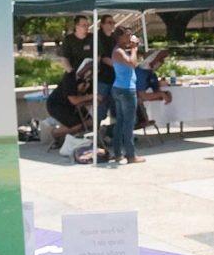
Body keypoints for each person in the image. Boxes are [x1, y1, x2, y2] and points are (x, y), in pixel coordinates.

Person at [45, 61, 103, 147]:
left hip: (73, 105)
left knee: (92, 122)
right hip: (57, 105)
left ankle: (82, 139)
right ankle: (55, 133)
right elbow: (74, 100)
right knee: (77, 125)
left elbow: (87, 97)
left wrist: (94, 99)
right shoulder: (70, 78)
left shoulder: (90, 81)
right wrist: (92, 96)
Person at [110, 26, 143, 164]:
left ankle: (118, 153)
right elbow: (132, 63)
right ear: (120, 37)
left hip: (119, 89)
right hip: (126, 90)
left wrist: (135, 46)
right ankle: (131, 155)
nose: (130, 37)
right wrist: (134, 49)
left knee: (121, 122)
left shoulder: (121, 50)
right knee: (128, 123)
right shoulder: (118, 51)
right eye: (127, 35)